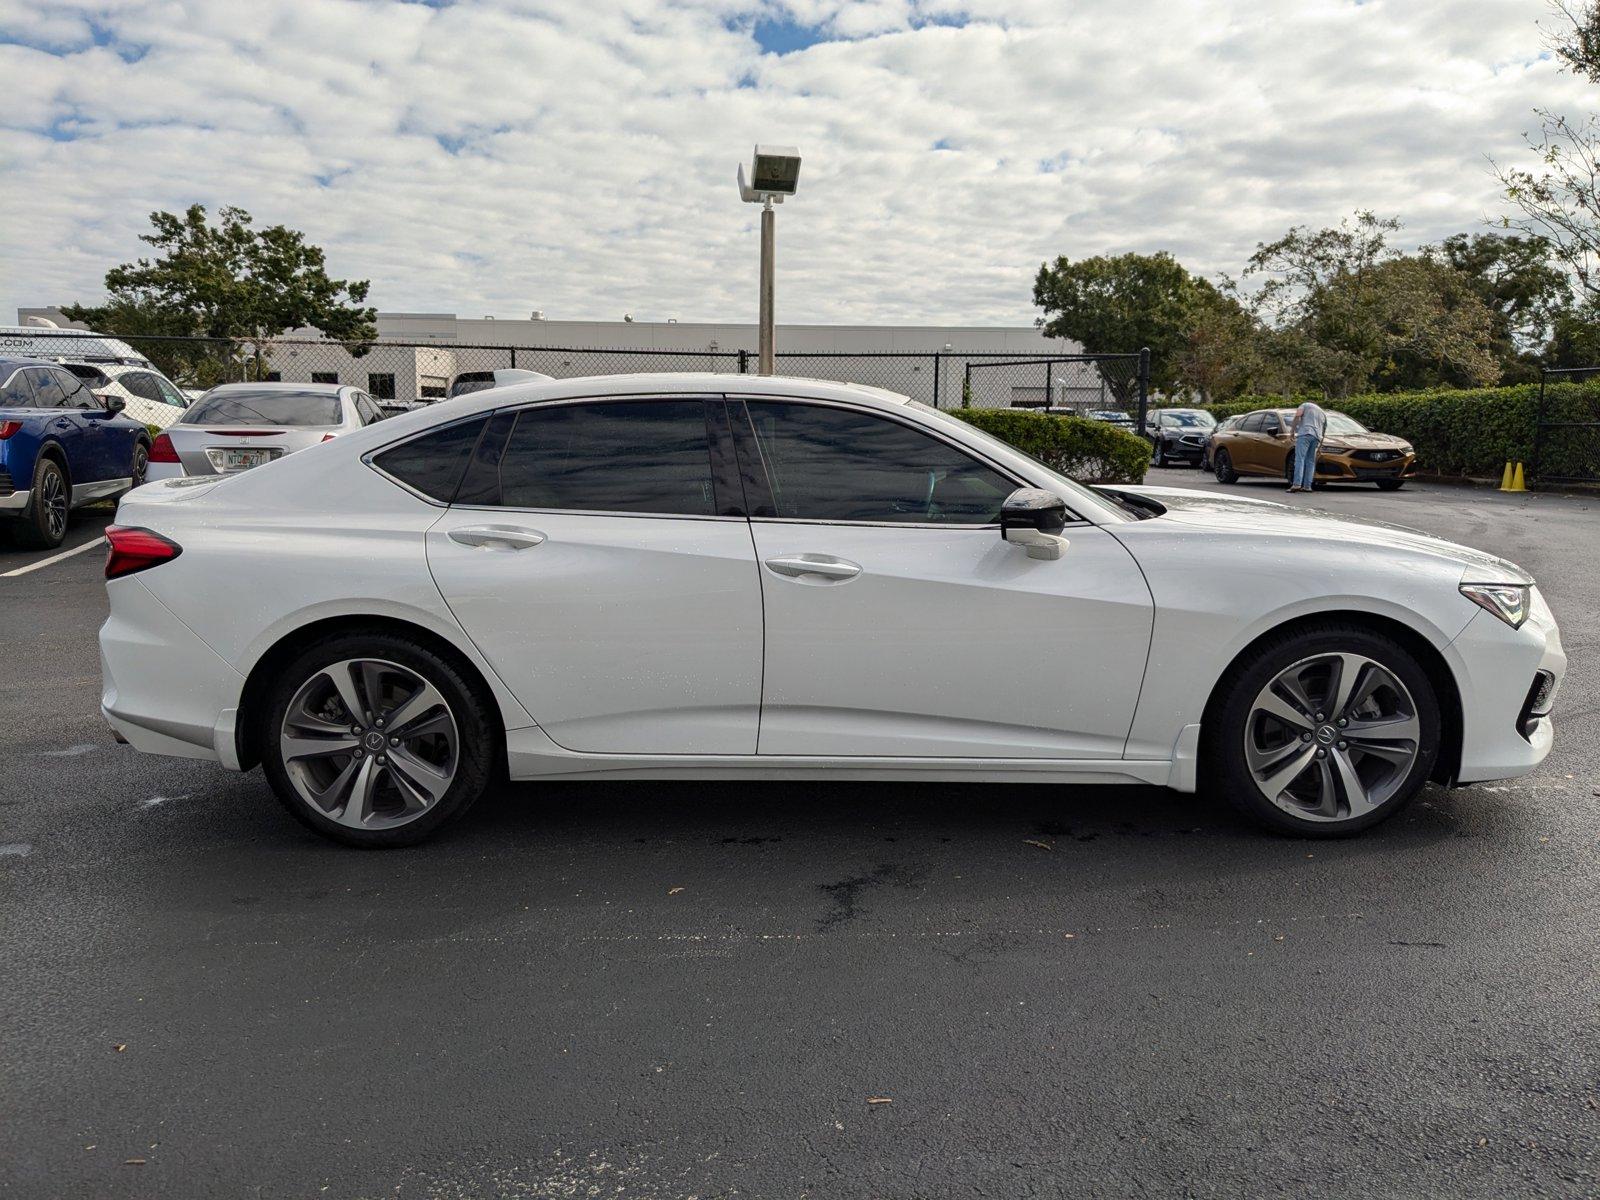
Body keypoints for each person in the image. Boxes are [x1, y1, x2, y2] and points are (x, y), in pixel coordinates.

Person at [1288, 399, 1326, 493]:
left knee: (1300, 459)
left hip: (1305, 433)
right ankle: (1307, 486)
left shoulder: (1304, 405)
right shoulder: (1322, 412)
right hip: (1317, 436)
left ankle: (1296, 484)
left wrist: (1292, 430)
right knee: (1310, 461)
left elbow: (1298, 415)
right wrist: (1320, 445)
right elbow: (1324, 429)